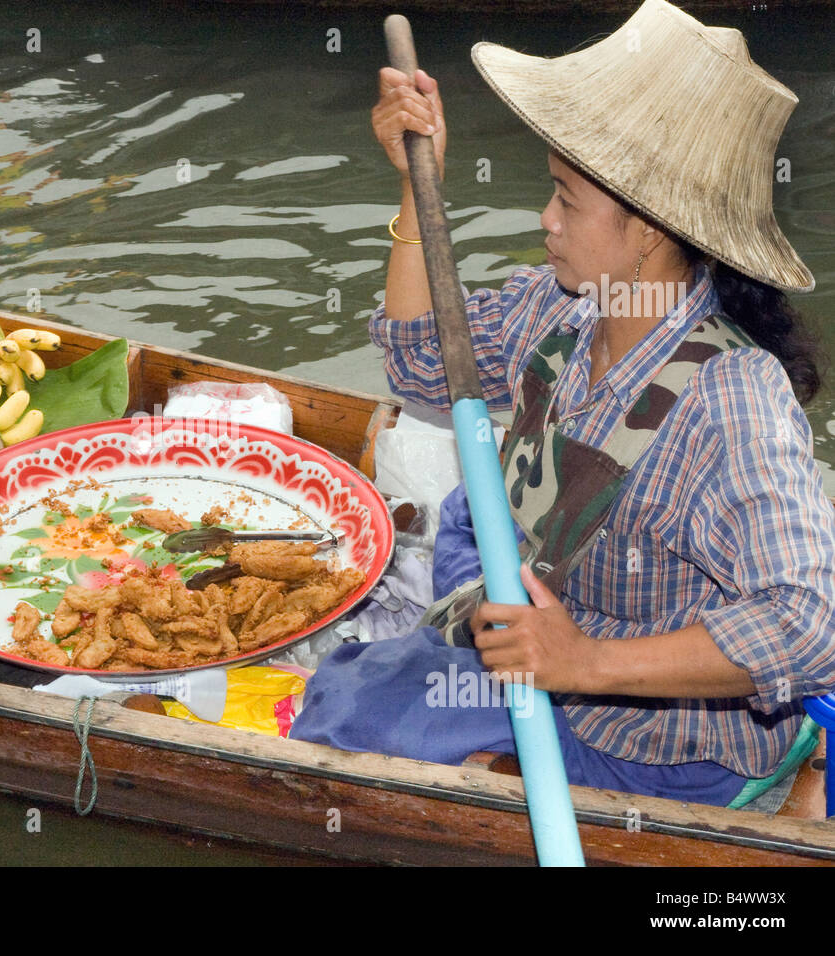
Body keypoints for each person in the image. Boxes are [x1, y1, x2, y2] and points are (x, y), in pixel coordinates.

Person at [289, 0, 835, 807]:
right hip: (556, 622)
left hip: (645, 739)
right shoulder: (569, 308)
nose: (545, 219)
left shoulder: (735, 402)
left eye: (565, 198)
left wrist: (581, 662)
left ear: (647, 229)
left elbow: (808, 623)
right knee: (466, 519)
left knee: (346, 710)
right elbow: (422, 366)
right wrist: (416, 186)